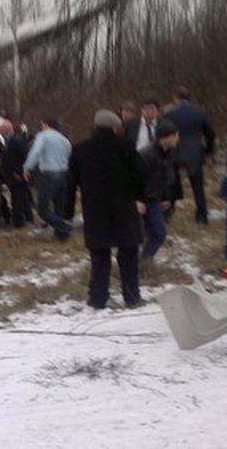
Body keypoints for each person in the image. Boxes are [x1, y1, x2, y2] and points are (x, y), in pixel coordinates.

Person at [65, 109, 146, 309]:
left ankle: (98, 298)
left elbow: (70, 184)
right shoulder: (126, 147)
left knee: (100, 257)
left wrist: (66, 213)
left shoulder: (80, 150)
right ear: (115, 128)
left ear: (95, 127)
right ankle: (132, 296)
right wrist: (141, 198)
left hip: (95, 211)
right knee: (128, 254)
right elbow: (141, 174)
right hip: (124, 208)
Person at [164, 86, 216, 224]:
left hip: (174, 153)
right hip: (195, 152)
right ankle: (202, 216)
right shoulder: (200, 112)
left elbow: (164, 134)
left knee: (172, 184)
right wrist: (208, 151)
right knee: (198, 187)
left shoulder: (169, 114)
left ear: (176, 97)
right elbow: (210, 134)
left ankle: (168, 214)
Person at [138, 119, 179, 275]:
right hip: (141, 201)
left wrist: (165, 197)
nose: (178, 139)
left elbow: (164, 178)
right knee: (138, 236)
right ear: (165, 137)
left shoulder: (167, 154)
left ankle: (144, 262)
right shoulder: (146, 154)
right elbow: (135, 179)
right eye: (176, 136)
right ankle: (131, 268)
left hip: (155, 200)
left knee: (159, 233)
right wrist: (138, 200)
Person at [23, 118, 73, 240]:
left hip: (49, 173)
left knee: (42, 208)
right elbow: (70, 155)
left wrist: (27, 167)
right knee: (59, 206)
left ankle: (64, 227)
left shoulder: (43, 136)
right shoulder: (64, 139)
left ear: (46, 125)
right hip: (64, 173)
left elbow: (35, 152)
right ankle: (62, 235)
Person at [0, 120, 33, 227]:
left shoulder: (16, 141)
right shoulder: (9, 141)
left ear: (7, 129)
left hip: (17, 175)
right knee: (22, 197)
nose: (0, 131)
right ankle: (29, 217)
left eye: (2, 129)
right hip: (12, 175)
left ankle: (19, 223)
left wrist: (20, 172)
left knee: (17, 199)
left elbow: (25, 156)